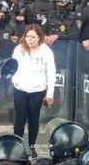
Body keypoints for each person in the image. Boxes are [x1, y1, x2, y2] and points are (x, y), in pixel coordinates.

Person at [11, 25, 56, 157]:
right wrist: (16, 82)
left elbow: (51, 73)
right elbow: (12, 68)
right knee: (20, 119)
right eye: (27, 36)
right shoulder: (19, 49)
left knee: (34, 119)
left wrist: (50, 94)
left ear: (39, 38)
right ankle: (17, 145)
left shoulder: (46, 51)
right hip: (20, 89)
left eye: (33, 37)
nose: (29, 39)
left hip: (37, 91)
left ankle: (31, 146)